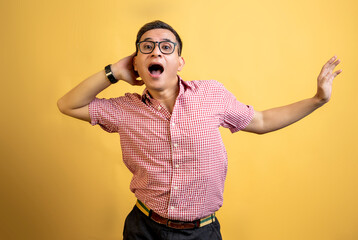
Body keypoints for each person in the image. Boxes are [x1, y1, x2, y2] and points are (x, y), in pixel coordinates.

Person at [57, 20, 342, 240]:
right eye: (147, 47)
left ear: (180, 63)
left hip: (201, 234)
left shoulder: (210, 94)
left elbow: (263, 121)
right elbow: (67, 105)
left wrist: (317, 100)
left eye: (166, 47)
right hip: (142, 228)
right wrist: (114, 72)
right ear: (136, 64)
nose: (156, 50)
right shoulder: (124, 109)